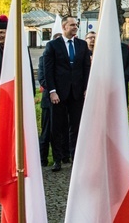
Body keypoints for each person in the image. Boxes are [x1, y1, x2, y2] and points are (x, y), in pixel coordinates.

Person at [43, 16, 91, 171]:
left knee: (75, 127)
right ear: (64, 27)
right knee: (57, 127)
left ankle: (75, 157)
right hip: (58, 94)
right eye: (72, 25)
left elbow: (86, 69)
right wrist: (52, 91)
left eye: (76, 25)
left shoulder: (82, 45)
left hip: (76, 93)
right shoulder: (52, 46)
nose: (75, 27)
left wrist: (85, 88)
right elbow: (48, 70)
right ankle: (57, 159)